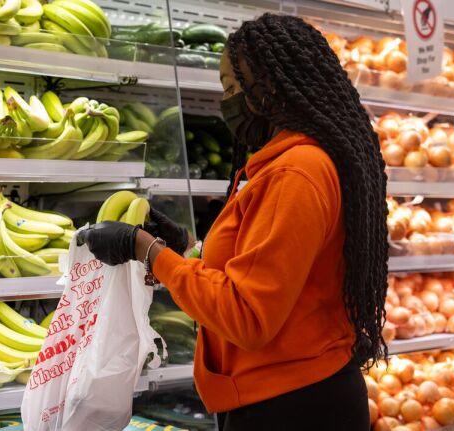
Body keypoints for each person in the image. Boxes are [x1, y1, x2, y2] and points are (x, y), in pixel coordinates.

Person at [78, 13, 388, 431]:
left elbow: (248, 315)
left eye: (230, 87)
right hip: (286, 393)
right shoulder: (285, 164)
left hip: (293, 407)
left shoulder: (295, 173)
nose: (226, 102)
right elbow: (262, 273)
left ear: (269, 87)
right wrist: (185, 248)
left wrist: (147, 251)